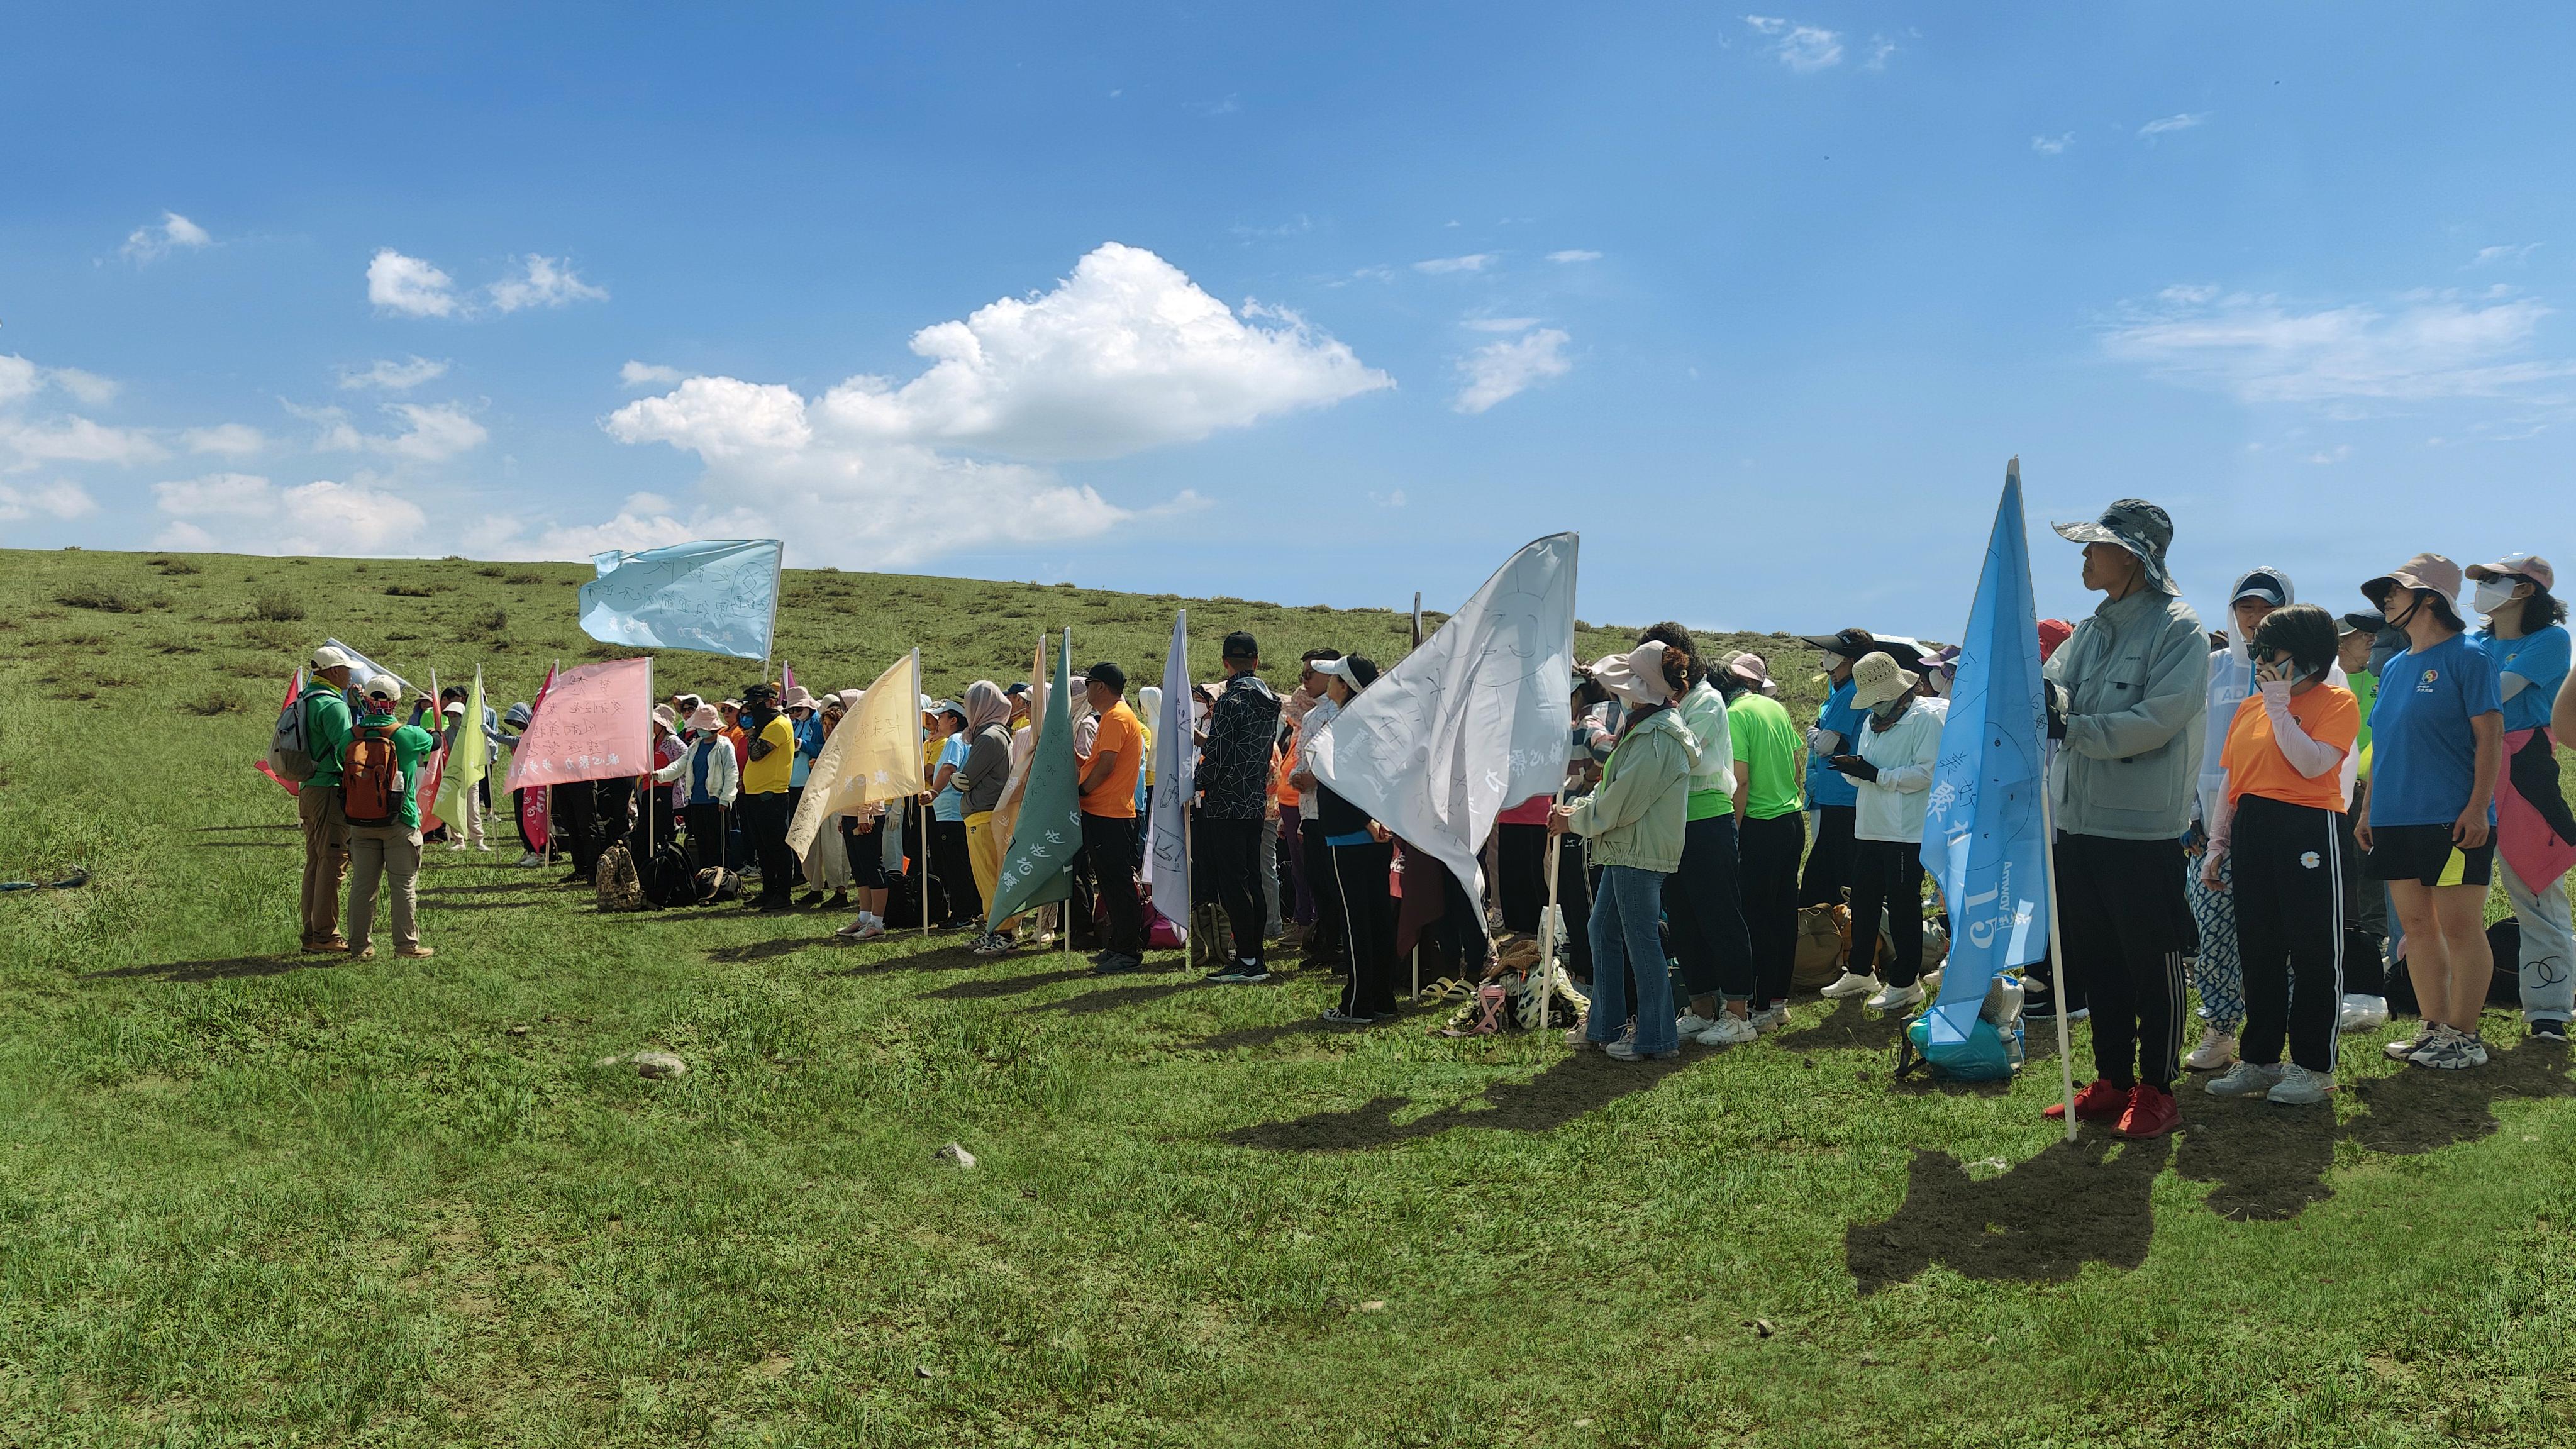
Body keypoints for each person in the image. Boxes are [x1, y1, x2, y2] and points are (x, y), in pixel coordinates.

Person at [2040, 499, 2211, 1141]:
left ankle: (2158, 1087)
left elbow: (2157, 720)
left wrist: (2071, 724)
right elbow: (2056, 686)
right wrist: (2047, 698)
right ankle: (2111, 1079)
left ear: (2134, 555)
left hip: (2140, 829)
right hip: (2076, 821)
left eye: (2095, 546)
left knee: (2151, 960)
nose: (2085, 556)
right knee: (2097, 959)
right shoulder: (2090, 629)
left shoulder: (2178, 629)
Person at [2198, 604, 2360, 1105]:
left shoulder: (2336, 702)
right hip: (2253, 828)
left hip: (2310, 828)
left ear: (2307, 654)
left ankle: (2314, 1066)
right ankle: (2260, 1059)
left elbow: (2312, 764)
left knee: (2313, 950)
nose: (2262, 656)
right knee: (2259, 950)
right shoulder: (2249, 709)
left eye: (2273, 649)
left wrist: (2278, 707)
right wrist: (2218, 843)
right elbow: (2233, 781)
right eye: (2258, 648)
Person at [2362, 554, 2506, 1069]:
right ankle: (2434, 1027)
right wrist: (2367, 812)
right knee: (2417, 928)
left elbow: (2491, 737)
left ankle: (2465, 1038)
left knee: (2460, 927)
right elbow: (2384, 742)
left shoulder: (2470, 656)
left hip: (2451, 817)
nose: (2386, 600)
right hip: (2394, 819)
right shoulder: (2396, 665)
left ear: (2429, 599)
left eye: (2395, 591)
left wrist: (2477, 807)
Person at [1553, 641, 1697, 1062]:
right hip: (1628, 847)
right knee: (1605, 930)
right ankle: (1609, 1025)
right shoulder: (1647, 727)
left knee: (1640, 939)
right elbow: (1615, 792)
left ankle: (1654, 1036)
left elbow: (1621, 802)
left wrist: (1574, 819)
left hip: (1639, 849)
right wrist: (1578, 811)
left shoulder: (1657, 736)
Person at [2182, 569, 2296, 1072]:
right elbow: (2188, 741)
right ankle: (2221, 1028)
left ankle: (2280, 1033)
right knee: (2214, 934)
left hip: (2276, 820)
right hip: (2210, 824)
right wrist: (2190, 813)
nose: (2256, 619)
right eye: (2246, 609)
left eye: (2268, 609)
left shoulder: (2305, 671)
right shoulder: (2211, 668)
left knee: (2280, 937)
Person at [2466, 553, 2574, 1043]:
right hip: (2467, 768)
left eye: (2492, 580)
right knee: (2455, 895)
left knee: (2536, 892)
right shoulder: (2473, 642)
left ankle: (2549, 1011)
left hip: (2525, 771)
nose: (2483, 588)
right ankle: (2445, 1005)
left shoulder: (2552, 639)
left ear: (2526, 590)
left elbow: (2491, 695)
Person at [1649, 623, 1761, 1048]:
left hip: (1709, 820)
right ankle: (1700, 1009)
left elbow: (1683, 757)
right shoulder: (1669, 701)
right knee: (1683, 917)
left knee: (1720, 915)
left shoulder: (1707, 700)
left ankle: (1737, 1014)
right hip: (1674, 823)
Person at [1819, 651, 1946, 1012]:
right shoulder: (1874, 720)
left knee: (1904, 904)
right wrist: (1851, 768)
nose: (1873, 707)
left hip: (1906, 828)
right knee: (1864, 898)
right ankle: (1860, 970)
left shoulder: (1926, 718)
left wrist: (1875, 775)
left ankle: (1906, 982)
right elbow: (1866, 770)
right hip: (1871, 824)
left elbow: (1927, 773)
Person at [1309, 656, 1399, 1022]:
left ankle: (1357, 1004)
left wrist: (1366, 820)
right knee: (1378, 918)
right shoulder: (1378, 727)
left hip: (1351, 836)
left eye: (1334, 677)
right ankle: (1381, 999)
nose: (1328, 681)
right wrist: (1382, 820)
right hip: (1377, 835)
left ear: (1344, 686)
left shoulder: (1341, 728)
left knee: (1355, 922)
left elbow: (1341, 785)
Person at [1723, 652, 1806, 1030]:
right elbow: (1796, 767)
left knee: (1755, 917)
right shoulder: (1776, 709)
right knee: (1783, 914)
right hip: (1791, 819)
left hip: (1758, 824)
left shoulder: (1735, 715)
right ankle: (1778, 1001)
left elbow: (1740, 781)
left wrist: (1734, 831)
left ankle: (1759, 1007)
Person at [1199, 631, 1283, 984]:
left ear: (1224, 663)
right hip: (1254, 800)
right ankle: (1256, 955)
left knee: (1233, 883)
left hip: (1225, 802)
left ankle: (1247, 959)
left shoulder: (1230, 700)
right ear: (1257, 660)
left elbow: (1217, 755)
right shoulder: (1270, 700)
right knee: (1253, 881)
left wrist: (1198, 778)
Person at [341, 674, 438, 961]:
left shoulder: (351, 735)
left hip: (359, 820)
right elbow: (434, 743)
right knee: (403, 886)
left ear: (368, 700)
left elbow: (339, 757)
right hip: (400, 819)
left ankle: (359, 947)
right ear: (395, 702)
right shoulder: (408, 735)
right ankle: (406, 946)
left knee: (362, 886)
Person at [1077, 663, 1150, 973]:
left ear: (1102, 687)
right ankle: (1119, 944)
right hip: (1107, 811)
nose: (1087, 689)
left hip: (1110, 812)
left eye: (1090, 683)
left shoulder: (1116, 717)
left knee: (1117, 885)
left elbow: (1106, 765)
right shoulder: (1115, 717)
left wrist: (1082, 789)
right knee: (1109, 884)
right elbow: (1101, 761)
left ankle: (1127, 950)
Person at [1798, 630, 1874, 909]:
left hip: (1843, 798)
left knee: (1831, 877)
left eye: (1833, 654)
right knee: (1830, 873)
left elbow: (1825, 744)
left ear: (1852, 660)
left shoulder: (1850, 692)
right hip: (1834, 796)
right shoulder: (1841, 691)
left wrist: (1815, 733)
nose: (1825, 659)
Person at [1289, 649, 1350, 967]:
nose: (1304, 682)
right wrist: (1297, 777)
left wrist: (1317, 777)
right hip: (1310, 811)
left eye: (1309, 675)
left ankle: (1342, 946)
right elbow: (1300, 756)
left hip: (1335, 812)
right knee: (1318, 881)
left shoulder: (1346, 712)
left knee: (1335, 881)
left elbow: (1346, 760)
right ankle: (1326, 944)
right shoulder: (1311, 716)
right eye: (1302, 676)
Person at [296, 645, 358, 952]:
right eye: (347, 669)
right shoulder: (333, 706)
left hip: (309, 788)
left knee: (316, 862)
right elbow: (347, 750)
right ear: (334, 672)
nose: (350, 675)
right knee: (333, 862)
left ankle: (311, 931)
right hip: (329, 790)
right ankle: (326, 934)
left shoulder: (306, 698)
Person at [654, 704, 739, 879]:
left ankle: (721, 879)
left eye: (701, 727)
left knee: (719, 844)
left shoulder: (724, 745)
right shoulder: (695, 746)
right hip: (696, 801)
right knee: (702, 842)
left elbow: (732, 773)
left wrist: (725, 798)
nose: (698, 730)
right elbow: (681, 765)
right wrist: (661, 774)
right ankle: (706, 877)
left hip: (716, 802)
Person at [735, 681, 797, 911]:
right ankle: (769, 891)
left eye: (756, 705)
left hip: (772, 795)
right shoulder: (766, 725)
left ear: (771, 703)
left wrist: (752, 734)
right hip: (755, 793)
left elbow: (757, 754)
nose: (752, 710)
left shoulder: (778, 725)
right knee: (762, 846)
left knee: (776, 847)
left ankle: (783, 893)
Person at [924, 702, 975, 925]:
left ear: (954, 720)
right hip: (952, 813)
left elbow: (948, 768)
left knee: (955, 866)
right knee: (957, 864)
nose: (938, 721)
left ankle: (963, 914)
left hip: (952, 814)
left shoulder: (955, 740)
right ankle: (967, 910)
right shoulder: (959, 740)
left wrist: (934, 792)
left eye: (942, 716)